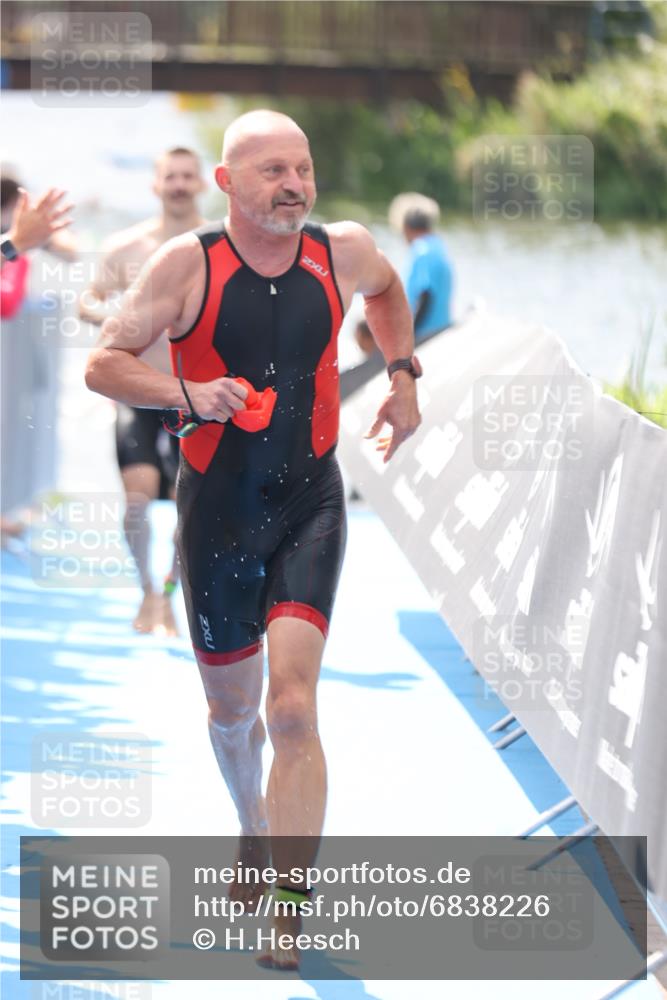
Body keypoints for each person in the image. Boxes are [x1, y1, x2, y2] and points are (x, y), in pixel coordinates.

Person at [85, 109, 421, 969]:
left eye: (302, 168)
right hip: (217, 513)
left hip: (310, 500)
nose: (294, 186)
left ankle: (288, 909)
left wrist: (402, 376)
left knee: (294, 709)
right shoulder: (185, 265)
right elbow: (103, 361)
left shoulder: (339, 250)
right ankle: (249, 825)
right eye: (272, 171)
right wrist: (188, 395)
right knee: (232, 719)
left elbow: (386, 292)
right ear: (228, 184)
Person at [79, 147, 207, 635]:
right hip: (136, 393)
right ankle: (147, 592)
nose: (177, 184)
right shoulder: (128, 246)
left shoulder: (215, 246)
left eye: (186, 176)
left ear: (201, 183)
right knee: (137, 502)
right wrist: (113, 319)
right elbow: (88, 300)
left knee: (188, 509)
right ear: (155, 186)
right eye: (169, 176)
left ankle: (173, 592)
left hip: (193, 396)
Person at [391, 192, 453, 341]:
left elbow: (425, 295)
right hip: (443, 329)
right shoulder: (438, 246)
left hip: (427, 335)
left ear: (406, 227)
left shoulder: (421, 251)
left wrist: (408, 335)